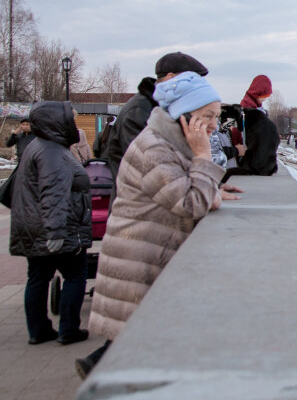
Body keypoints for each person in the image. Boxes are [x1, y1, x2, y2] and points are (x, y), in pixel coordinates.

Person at [78, 71, 241, 378]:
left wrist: (213, 188)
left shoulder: (169, 143)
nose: (213, 125)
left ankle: (100, 370)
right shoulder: (155, 148)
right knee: (137, 343)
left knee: (133, 343)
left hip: (147, 250)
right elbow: (191, 202)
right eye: (208, 116)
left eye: (217, 116)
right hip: (139, 256)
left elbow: (186, 187)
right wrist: (204, 158)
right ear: (184, 115)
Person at [8, 101, 92, 345]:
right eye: (70, 119)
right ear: (57, 122)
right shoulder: (52, 151)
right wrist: (55, 232)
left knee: (38, 277)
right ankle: (69, 329)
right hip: (56, 227)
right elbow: (53, 192)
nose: (73, 124)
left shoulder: (37, 146)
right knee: (75, 275)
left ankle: (39, 330)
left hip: (34, 225)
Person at [102, 52, 208, 200]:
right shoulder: (139, 111)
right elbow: (152, 166)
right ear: (171, 78)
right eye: (194, 81)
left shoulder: (162, 108)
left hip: (156, 202)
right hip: (140, 206)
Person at [229, 75, 280, 176]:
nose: (266, 98)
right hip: (250, 157)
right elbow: (240, 132)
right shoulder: (248, 108)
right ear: (257, 93)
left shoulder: (255, 107)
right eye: (264, 95)